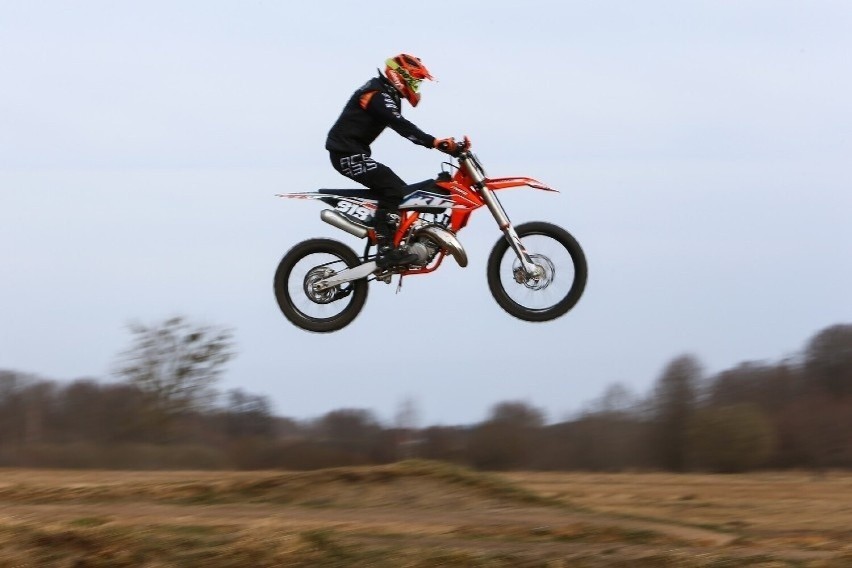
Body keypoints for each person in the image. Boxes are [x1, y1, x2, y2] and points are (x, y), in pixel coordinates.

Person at [325, 53, 458, 269]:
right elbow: (401, 126)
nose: (415, 87)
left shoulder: (386, 94)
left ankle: (398, 241)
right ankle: (386, 251)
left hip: (351, 152)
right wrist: (435, 142)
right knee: (393, 188)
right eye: (414, 81)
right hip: (344, 153)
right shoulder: (376, 94)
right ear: (400, 75)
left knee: (399, 190)